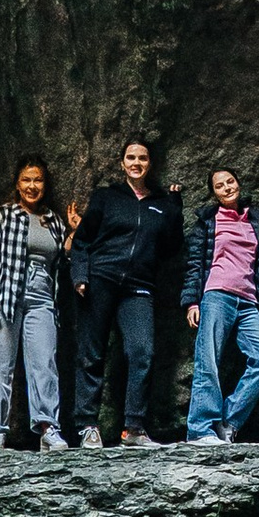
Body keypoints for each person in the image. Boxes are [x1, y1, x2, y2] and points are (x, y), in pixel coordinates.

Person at [68, 137, 184, 448]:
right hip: (100, 278)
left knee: (142, 351)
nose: (136, 163)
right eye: (131, 157)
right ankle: (87, 425)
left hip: (139, 286)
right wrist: (80, 275)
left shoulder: (161, 202)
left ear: (150, 164)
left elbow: (172, 248)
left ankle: (133, 428)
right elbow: (82, 241)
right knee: (91, 353)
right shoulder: (107, 197)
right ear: (123, 163)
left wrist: (175, 209)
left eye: (142, 158)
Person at [0, 156, 72, 451]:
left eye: (38, 180)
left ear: (45, 184)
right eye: (27, 180)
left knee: (44, 362)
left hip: (42, 297)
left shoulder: (53, 220)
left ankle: (48, 428)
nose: (32, 186)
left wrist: (74, 234)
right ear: (17, 184)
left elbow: (62, 260)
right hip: (6, 293)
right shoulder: (3, 215)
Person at [182, 163, 259, 442]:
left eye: (230, 182)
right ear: (214, 194)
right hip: (217, 294)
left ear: (238, 183)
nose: (227, 188)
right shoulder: (208, 221)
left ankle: (227, 421)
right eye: (220, 186)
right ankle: (200, 429)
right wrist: (192, 302)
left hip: (248, 300)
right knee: (208, 361)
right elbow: (195, 264)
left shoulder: (255, 219)